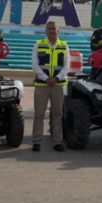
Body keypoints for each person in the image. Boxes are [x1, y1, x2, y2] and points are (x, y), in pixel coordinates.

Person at [31, 21, 69, 153]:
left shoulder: (64, 46)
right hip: (42, 85)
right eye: (49, 28)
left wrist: (57, 78)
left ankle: (57, 142)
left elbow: (66, 66)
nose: (52, 30)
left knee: (58, 114)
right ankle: (37, 141)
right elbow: (35, 65)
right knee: (39, 114)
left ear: (58, 31)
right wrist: (46, 78)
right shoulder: (38, 44)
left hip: (58, 85)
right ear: (46, 31)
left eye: (54, 28)